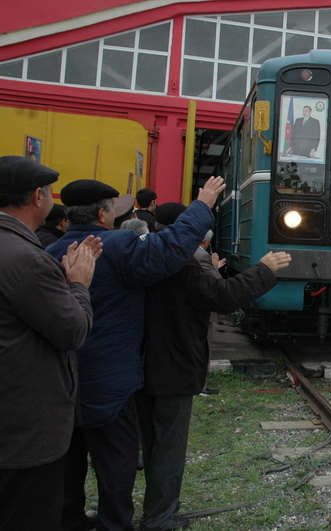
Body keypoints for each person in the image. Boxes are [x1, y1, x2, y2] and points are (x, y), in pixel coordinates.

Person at [47, 176, 225, 531]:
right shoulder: (118, 246)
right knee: (117, 463)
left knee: (68, 463)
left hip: (61, 380)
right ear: (103, 213)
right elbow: (172, 246)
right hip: (111, 383)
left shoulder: (50, 253)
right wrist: (202, 204)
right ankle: (115, 523)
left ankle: (71, 521)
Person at [136, 203, 291, 531]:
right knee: (169, 447)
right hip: (175, 365)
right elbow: (222, 297)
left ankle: (152, 510)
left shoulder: (143, 252)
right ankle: (160, 518)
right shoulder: (185, 262)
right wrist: (264, 268)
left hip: (141, 362)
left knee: (151, 443)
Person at [0, 156, 100, 530]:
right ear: (36, 198)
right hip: (25, 432)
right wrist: (77, 283)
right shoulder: (27, 260)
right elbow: (73, 330)